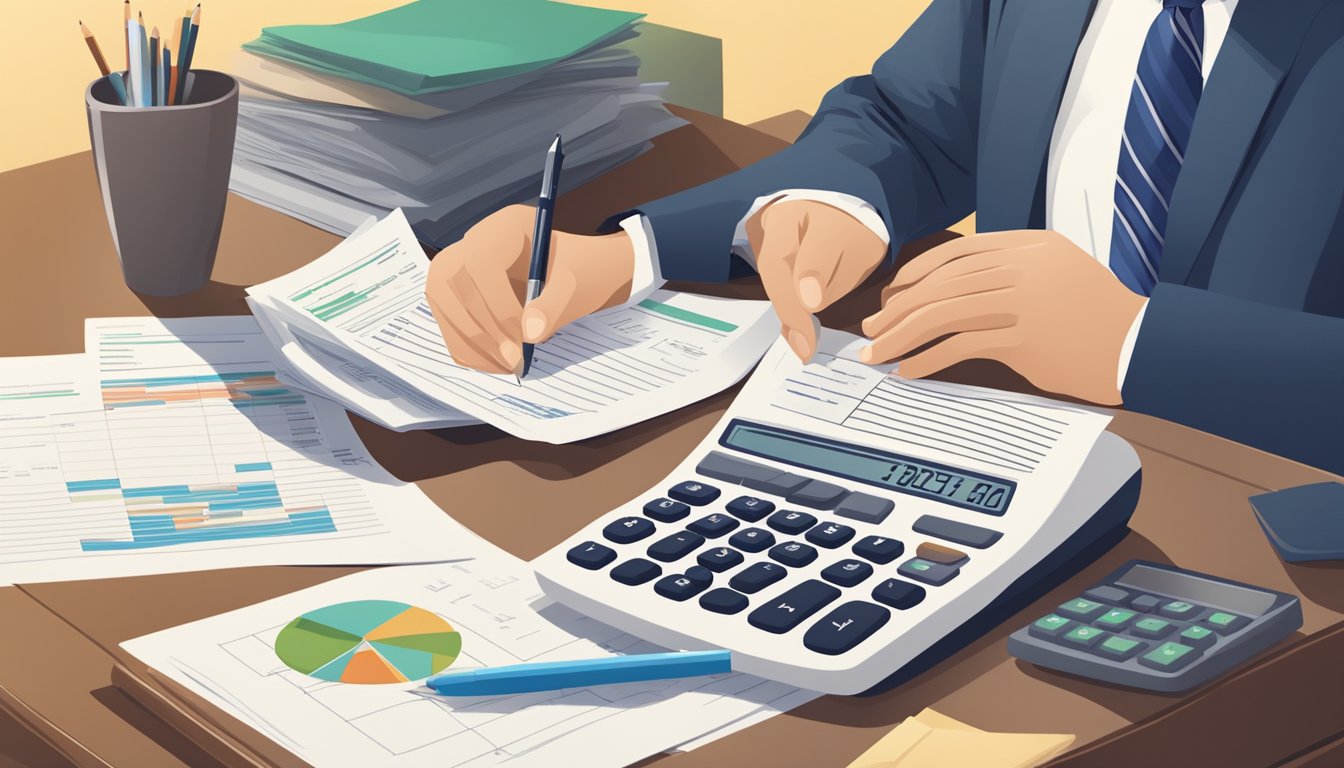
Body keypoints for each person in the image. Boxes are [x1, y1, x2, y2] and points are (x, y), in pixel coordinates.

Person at [425, 0, 1344, 474]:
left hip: (1265, 533)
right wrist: (636, 253)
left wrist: (1137, 344)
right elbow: (908, 124)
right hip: (994, 454)